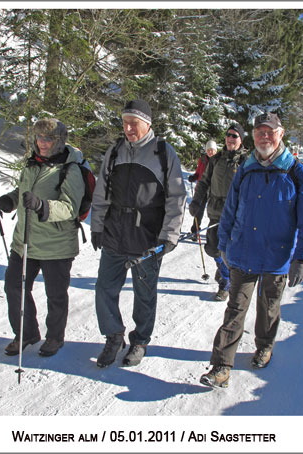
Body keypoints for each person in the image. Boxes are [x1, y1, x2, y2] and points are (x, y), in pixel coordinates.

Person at [200, 112, 303, 388]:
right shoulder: (247, 168)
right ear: (253, 136)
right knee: (235, 309)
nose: (264, 136)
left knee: (269, 307)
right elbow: (229, 210)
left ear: (281, 133)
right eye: (259, 132)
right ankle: (221, 366)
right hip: (243, 253)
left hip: (277, 256)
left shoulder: (295, 171)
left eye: (270, 131)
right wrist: (225, 244)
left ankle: (264, 345)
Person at [90, 99, 186, 368]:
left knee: (144, 293)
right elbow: (102, 192)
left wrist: (169, 234)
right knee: (105, 289)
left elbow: (177, 197)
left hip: (147, 237)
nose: (128, 128)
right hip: (114, 233)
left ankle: (140, 340)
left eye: (134, 123)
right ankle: (113, 336)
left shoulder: (163, 153)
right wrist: (97, 226)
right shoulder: (115, 151)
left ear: (147, 124)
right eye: (124, 123)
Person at [0, 118, 85, 358]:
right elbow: (22, 192)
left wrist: (42, 205)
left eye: (48, 138)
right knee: (14, 287)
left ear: (59, 141)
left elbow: (70, 207)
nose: (42, 143)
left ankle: (54, 337)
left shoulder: (70, 169)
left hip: (57, 245)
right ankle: (26, 333)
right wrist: (7, 201)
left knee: (56, 296)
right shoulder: (32, 164)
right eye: (40, 137)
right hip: (24, 241)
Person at [189, 124, 249, 301]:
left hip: (235, 214)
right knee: (213, 249)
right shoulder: (216, 159)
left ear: (241, 140)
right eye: (228, 135)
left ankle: (226, 281)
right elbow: (204, 182)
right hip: (215, 211)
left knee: (230, 251)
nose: (230, 138)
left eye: (235, 136)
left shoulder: (246, 162)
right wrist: (196, 202)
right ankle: (223, 270)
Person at [188, 140, 218, 240]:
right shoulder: (203, 159)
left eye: (212, 150)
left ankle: (214, 234)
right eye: (208, 150)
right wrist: (194, 177)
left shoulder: (218, 160)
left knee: (214, 213)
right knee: (198, 211)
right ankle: (195, 231)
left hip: (214, 191)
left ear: (215, 150)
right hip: (202, 189)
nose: (210, 152)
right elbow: (198, 172)